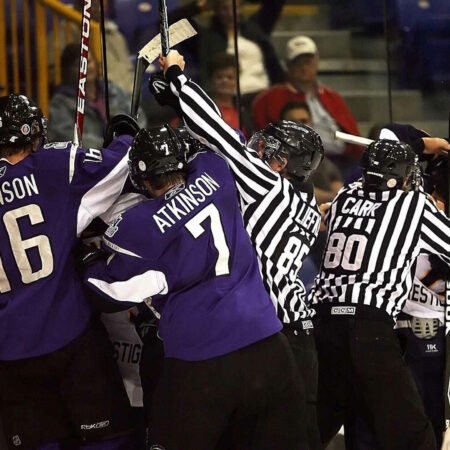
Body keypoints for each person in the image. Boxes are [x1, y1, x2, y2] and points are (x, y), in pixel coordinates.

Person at [82, 124, 304, 450]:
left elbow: (105, 291)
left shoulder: (136, 227)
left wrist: (88, 259)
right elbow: (205, 144)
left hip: (201, 363)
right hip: (268, 348)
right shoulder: (216, 171)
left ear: (142, 180)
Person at [150, 49, 325, 449]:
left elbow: (220, 136)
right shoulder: (306, 204)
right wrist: (178, 101)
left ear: (281, 163)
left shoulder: (266, 184)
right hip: (296, 337)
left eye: (269, 149)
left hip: (267, 339)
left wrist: (179, 77)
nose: (258, 149)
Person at [0, 94, 137, 449]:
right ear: (33, 136)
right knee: (107, 439)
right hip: (69, 336)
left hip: (9, 351)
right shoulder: (51, 165)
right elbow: (124, 162)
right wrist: (123, 133)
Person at [309, 138, 450, 449]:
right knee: (410, 428)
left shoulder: (345, 195)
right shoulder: (413, 205)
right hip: (368, 327)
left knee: (318, 421)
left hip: (323, 323)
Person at [252, 35, 361, 179]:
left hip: (344, 160)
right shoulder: (269, 98)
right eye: (298, 63)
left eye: (308, 62)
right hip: (302, 164)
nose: (304, 67)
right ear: (288, 66)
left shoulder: (331, 96)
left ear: (316, 62)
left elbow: (352, 134)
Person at [48, 43, 145, 149]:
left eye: (88, 62)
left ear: (95, 63)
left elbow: (137, 114)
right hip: (90, 160)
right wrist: (108, 146)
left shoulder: (111, 89)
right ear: (69, 71)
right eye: (79, 65)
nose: (86, 68)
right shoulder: (60, 102)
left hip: (127, 151)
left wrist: (134, 139)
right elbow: (64, 135)